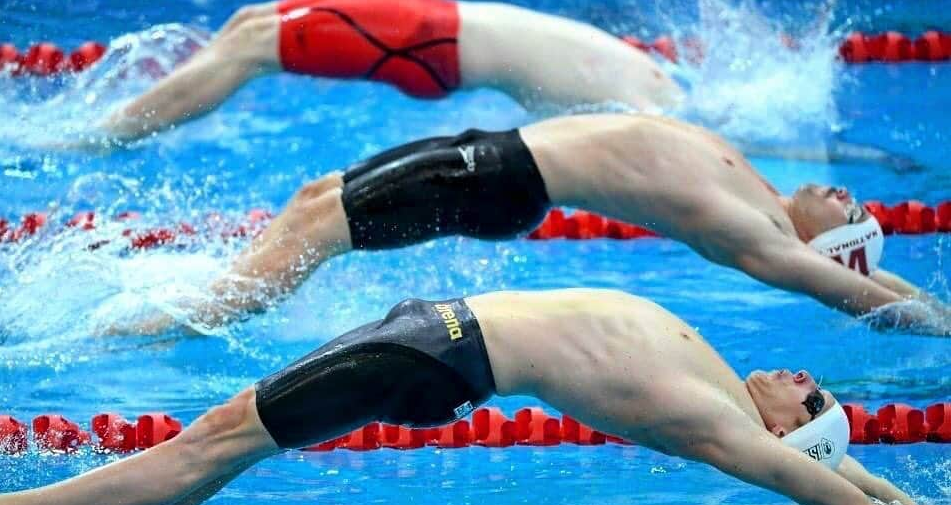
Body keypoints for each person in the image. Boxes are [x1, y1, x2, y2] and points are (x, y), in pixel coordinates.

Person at [0, 289, 946, 505]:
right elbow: (854, 483)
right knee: (217, 453)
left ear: (793, 431)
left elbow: (835, 497)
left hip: (433, 354)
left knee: (209, 445)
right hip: (430, 336)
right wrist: (906, 495)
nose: (802, 375)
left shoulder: (723, 426)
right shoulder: (720, 382)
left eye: (815, 400)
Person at [124, 113, 949, 336]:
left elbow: (846, 288)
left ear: (824, 244)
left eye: (853, 214)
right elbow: (865, 271)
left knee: (317, 232)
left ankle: (170, 323)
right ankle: (205, 294)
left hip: (501, 178)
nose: (848, 198)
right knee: (313, 203)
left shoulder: (759, 233)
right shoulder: (766, 191)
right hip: (492, 155)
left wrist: (935, 328)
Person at [94, 0, 683, 145]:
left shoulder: (650, 103)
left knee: (252, 47)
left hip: (428, 40)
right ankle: (134, 116)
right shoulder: (659, 94)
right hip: (431, 21)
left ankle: (110, 134)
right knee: (251, 21)